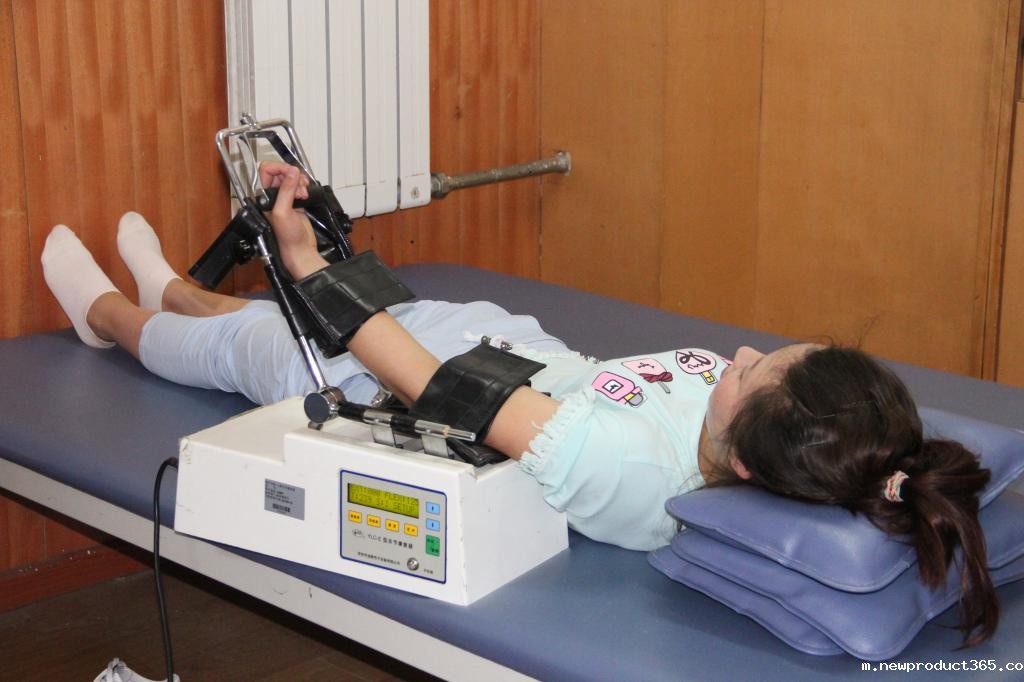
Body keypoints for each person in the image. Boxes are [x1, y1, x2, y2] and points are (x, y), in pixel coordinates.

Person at [42, 162, 997, 645]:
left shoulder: (629, 470)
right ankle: (177, 287)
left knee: (231, 348)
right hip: (477, 337)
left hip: (378, 376)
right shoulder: (761, 429)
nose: (738, 356)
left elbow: (432, 391)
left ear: (748, 462)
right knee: (249, 316)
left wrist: (310, 264)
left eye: (752, 374)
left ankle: (109, 315)